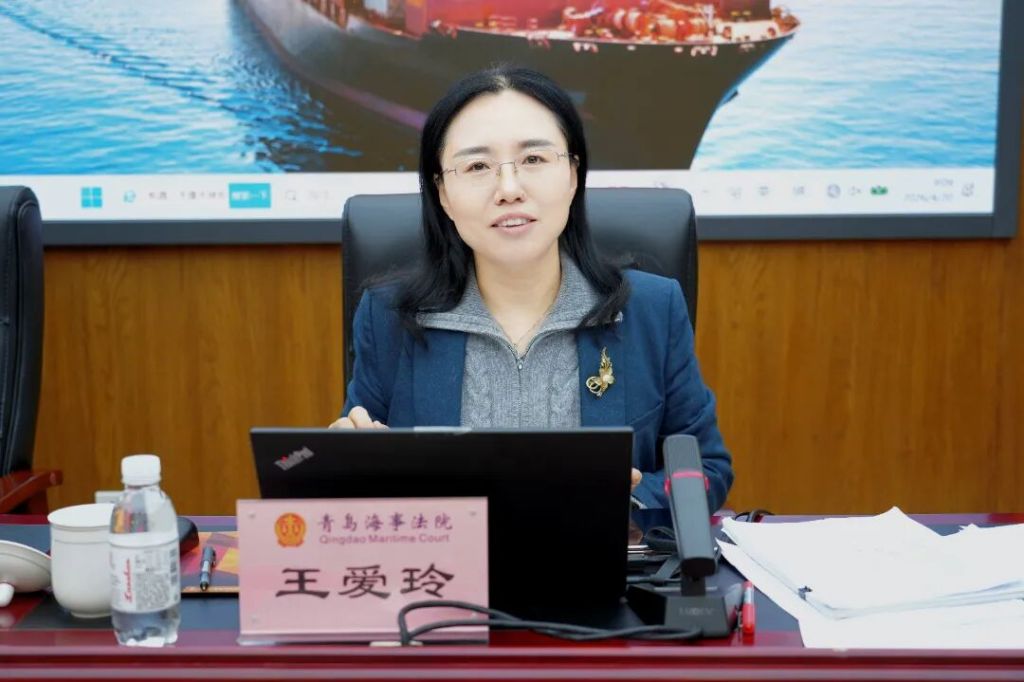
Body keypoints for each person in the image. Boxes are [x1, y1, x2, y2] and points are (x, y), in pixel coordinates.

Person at [331, 66, 732, 511]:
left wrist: (629, 502)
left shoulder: (652, 309)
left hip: (595, 556)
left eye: (534, 160)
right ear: (442, 193)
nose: (509, 189)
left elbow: (704, 470)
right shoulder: (388, 317)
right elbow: (362, 478)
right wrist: (343, 463)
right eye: (477, 166)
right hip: (450, 556)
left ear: (574, 173)